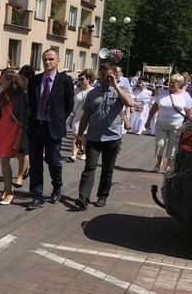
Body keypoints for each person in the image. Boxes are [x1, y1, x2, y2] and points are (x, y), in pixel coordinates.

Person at [75, 63, 133, 209]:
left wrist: (115, 85)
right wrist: (79, 135)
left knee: (107, 169)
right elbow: (86, 115)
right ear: (99, 75)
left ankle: (102, 195)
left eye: (109, 75)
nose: (105, 78)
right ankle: (83, 197)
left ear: (114, 75)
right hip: (94, 136)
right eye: (103, 75)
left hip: (112, 137)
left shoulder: (119, 91)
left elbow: (129, 102)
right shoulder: (92, 93)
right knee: (90, 166)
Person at [26, 49, 74, 210]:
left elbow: (69, 105)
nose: (48, 62)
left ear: (58, 61)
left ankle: (57, 185)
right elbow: (30, 103)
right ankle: (37, 195)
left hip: (53, 127)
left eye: (51, 59)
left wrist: (58, 119)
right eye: (45, 59)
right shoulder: (34, 80)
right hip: (36, 127)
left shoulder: (65, 80)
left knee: (53, 161)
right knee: (35, 162)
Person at [0, 70, 28, 205]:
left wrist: (20, 136)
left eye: (2, 79)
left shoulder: (21, 96)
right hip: (2, 129)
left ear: (9, 80)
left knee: (8, 158)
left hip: (15, 128)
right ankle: (7, 189)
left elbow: (23, 117)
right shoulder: (2, 95)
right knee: (4, 159)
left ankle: (9, 191)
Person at [146, 73, 192, 172]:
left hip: (177, 126)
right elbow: (154, 107)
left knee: (173, 146)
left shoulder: (185, 95)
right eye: (170, 82)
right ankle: (159, 162)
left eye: (174, 83)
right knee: (159, 144)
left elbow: (189, 111)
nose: (171, 84)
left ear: (180, 84)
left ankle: (169, 164)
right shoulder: (163, 93)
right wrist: (148, 120)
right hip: (161, 124)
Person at [68, 69, 94, 161]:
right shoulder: (75, 91)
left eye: (82, 79)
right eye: (79, 79)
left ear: (88, 79)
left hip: (87, 117)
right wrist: (71, 111)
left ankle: (85, 153)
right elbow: (70, 102)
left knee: (84, 136)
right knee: (76, 135)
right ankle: (73, 155)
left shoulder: (93, 91)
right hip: (76, 116)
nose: (80, 81)